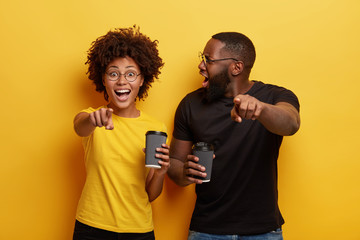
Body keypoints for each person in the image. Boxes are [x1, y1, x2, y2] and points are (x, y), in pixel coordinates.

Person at [167, 32, 300, 240]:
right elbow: (174, 162)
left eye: (208, 60)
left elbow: (291, 123)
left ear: (236, 67)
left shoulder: (274, 96)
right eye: (202, 58)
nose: (201, 66)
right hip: (206, 231)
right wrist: (184, 172)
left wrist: (260, 109)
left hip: (263, 232)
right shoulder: (190, 104)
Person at [72, 26, 169, 240]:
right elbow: (79, 126)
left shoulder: (156, 129)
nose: (122, 81)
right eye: (113, 73)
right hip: (91, 228)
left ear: (143, 80)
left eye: (131, 74)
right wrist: (93, 119)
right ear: (104, 79)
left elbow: (150, 195)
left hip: (139, 230)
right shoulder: (91, 117)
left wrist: (161, 172)